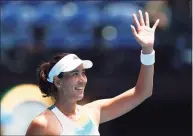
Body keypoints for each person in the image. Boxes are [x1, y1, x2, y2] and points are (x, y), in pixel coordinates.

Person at [26, 10, 159, 136]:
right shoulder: (41, 124)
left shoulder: (93, 111)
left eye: (83, 73)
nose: (82, 79)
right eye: (74, 74)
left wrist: (148, 50)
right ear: (58, 81)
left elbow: (143, 92)